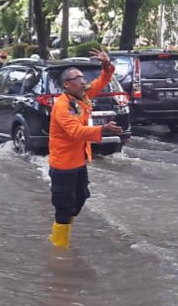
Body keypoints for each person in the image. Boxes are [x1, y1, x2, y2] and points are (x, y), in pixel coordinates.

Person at [47, 48, 123, 249]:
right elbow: (75, 131)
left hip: (79, 161)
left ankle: (62, 234)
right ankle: (59, 249)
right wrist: (103, 128)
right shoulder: (61, 106)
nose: (83, 81)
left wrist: (106, 65)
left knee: (80, 199)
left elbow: (103, 80)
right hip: (63, 166)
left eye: (82, 77)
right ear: (66, 85)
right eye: (77, 79)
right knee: (63, 208)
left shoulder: (82, 95)